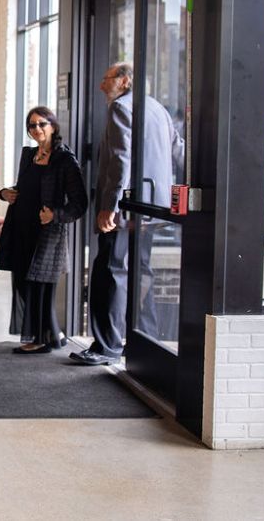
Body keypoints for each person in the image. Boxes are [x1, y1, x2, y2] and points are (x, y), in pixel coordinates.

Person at [70, 63, 184, 366]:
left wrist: (111, 205)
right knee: (141, 272)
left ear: (124, 80)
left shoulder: (121, 108)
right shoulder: (157, 108)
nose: (101, 86)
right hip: (151, 209)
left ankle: (106, 346)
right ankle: (145, 341)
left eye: (106, 79)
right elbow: (177, 150)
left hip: (127, 208)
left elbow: (121, 158)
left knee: (111, 272)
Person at [0, 107, 87, 353]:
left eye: (41, 124)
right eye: (32, 125)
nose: (36, 129)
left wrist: (55, 215)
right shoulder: (29, 155)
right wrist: (5, 193)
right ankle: (52, 334)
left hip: (48, 232)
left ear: (53, 126)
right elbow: (25, 187)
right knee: (24, 283)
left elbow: (79, 203)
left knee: (41, 286)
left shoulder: (65, 160)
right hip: (21, 226)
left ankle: (40, 339)